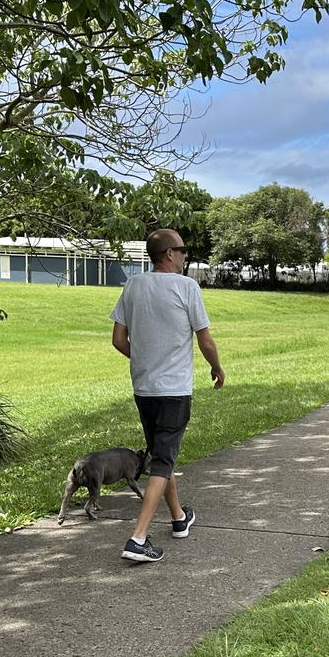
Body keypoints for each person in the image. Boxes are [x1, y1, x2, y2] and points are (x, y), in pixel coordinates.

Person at [110, 228, 225, 563]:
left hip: (144, 389)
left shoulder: (133, 285)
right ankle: (138, 538)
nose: (186, 255)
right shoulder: (187, 287)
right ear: (169, 254)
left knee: (163, 454)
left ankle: (178, 518)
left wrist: (145, 359)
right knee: (162, 461)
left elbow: (118, 339)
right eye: (183, 250)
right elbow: (205, 340)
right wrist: (217, 368)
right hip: (174, 390)